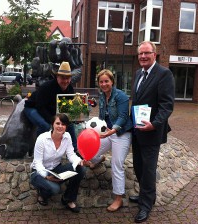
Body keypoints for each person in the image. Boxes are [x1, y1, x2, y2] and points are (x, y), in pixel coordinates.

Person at [129, 41, 175, 223]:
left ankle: (146, 205)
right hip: (137, 130)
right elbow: (136, 101)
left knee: (148, 170)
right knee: (139, 167)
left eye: (146, 53)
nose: (143, 57)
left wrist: (154, 124)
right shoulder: (138, 74)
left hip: (152, 131)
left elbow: (167, 105)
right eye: (140, 54)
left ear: (154, 55)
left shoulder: (164, 74)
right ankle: (145, 196)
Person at [89, 69, 132, 212]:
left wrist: (113, 130)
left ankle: (118, 198)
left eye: (106, 81)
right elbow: (101, 117)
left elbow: (123, 116)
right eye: (101, 81)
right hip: (107, 132)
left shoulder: (121, 96)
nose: (104, 84)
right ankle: (99, 159)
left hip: (121, 132)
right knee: (90, 152)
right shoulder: (102, 96)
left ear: (112, 82)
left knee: (116, 164)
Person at [30, 113, 89, 212]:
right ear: (52, 124)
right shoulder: (42, 138)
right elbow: (38, 162)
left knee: (81, 169)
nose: (60, 126)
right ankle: (43, 194)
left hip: (56, 170)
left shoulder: (67, 136)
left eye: (63, 124)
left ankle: (68, 199)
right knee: (55, 189)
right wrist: (46, 177)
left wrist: (79, 161)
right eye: (58, 123)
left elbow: (70, 155)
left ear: (66, 126)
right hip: (39, 172)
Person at [24, 62, 80, 153]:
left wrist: (75, 116)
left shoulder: (70, 89)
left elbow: (68, 108)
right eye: (63, 78)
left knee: (69, 124)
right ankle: (37, 151)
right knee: (44, 125)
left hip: (50, 110)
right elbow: (40, 107)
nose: (65, 81)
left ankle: (74, 150)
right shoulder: (47, 87)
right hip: (33, 107)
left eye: (68, 78)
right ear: (57, 77)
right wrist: (53, 120)